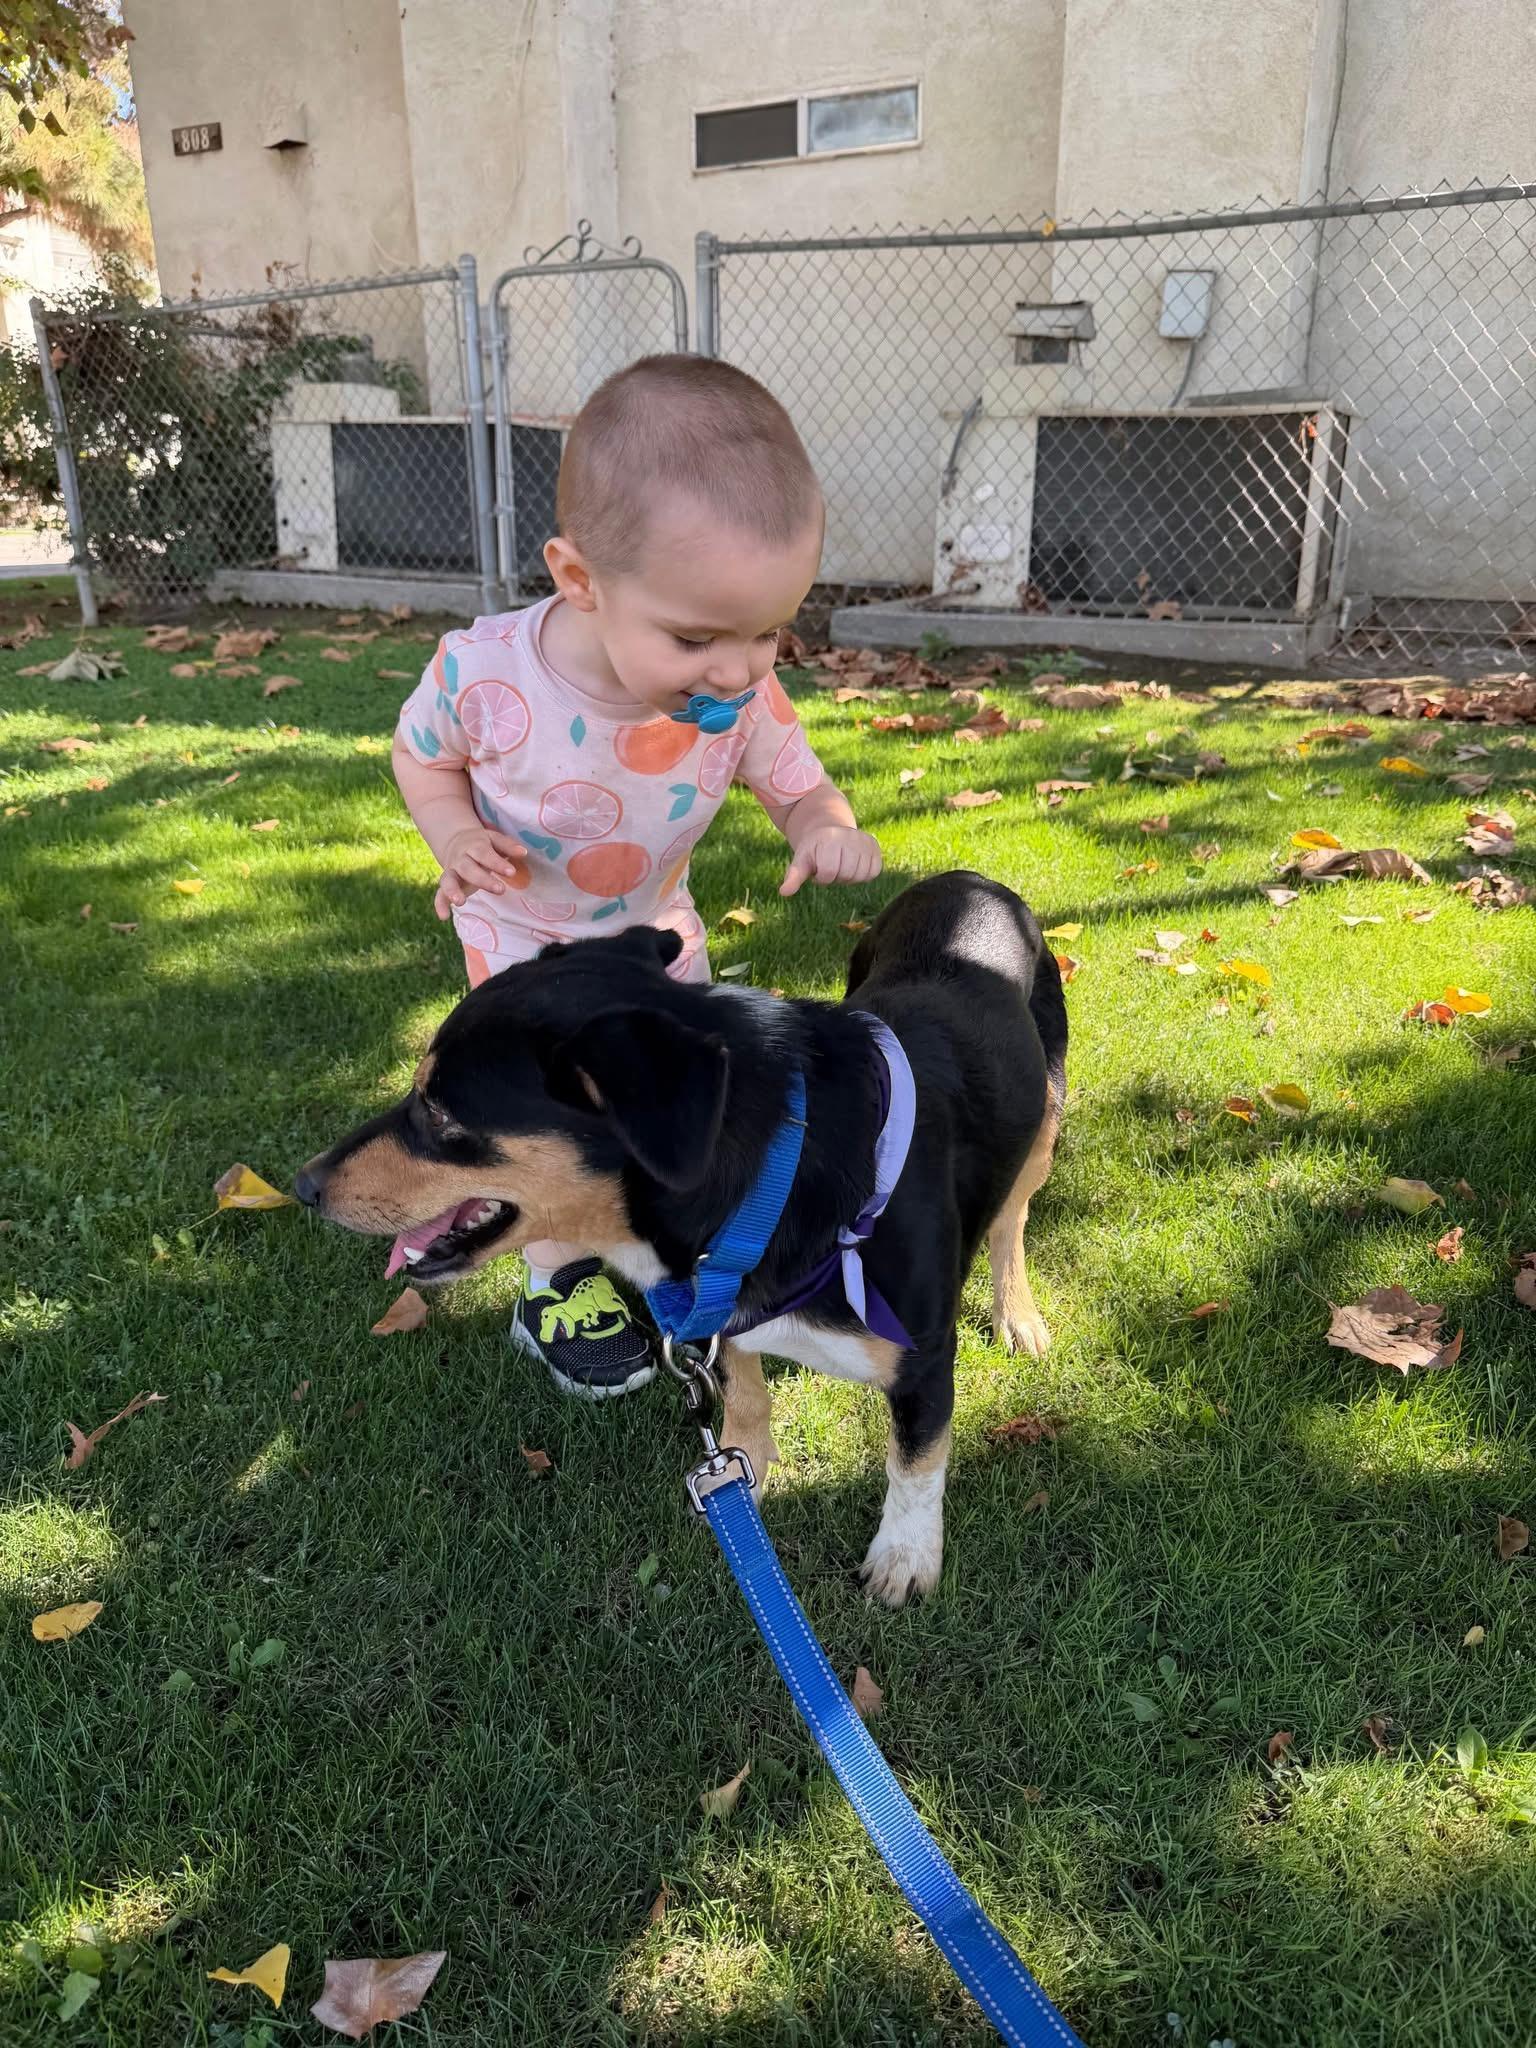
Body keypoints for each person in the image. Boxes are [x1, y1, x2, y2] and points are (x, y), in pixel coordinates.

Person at [392, 353, 882, 1398]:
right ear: (580, 580)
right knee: (536, 1129)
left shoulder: (738, 692)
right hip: (521, 947)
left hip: (656, 936)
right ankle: (558, 1276)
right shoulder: (484, 674)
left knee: (669, 1107)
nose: (741, 667)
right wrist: (449, 832)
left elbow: (800, 784)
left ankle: (675, 1244)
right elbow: (420, 754)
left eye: (769, 630)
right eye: (698, 635)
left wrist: (823, 824)